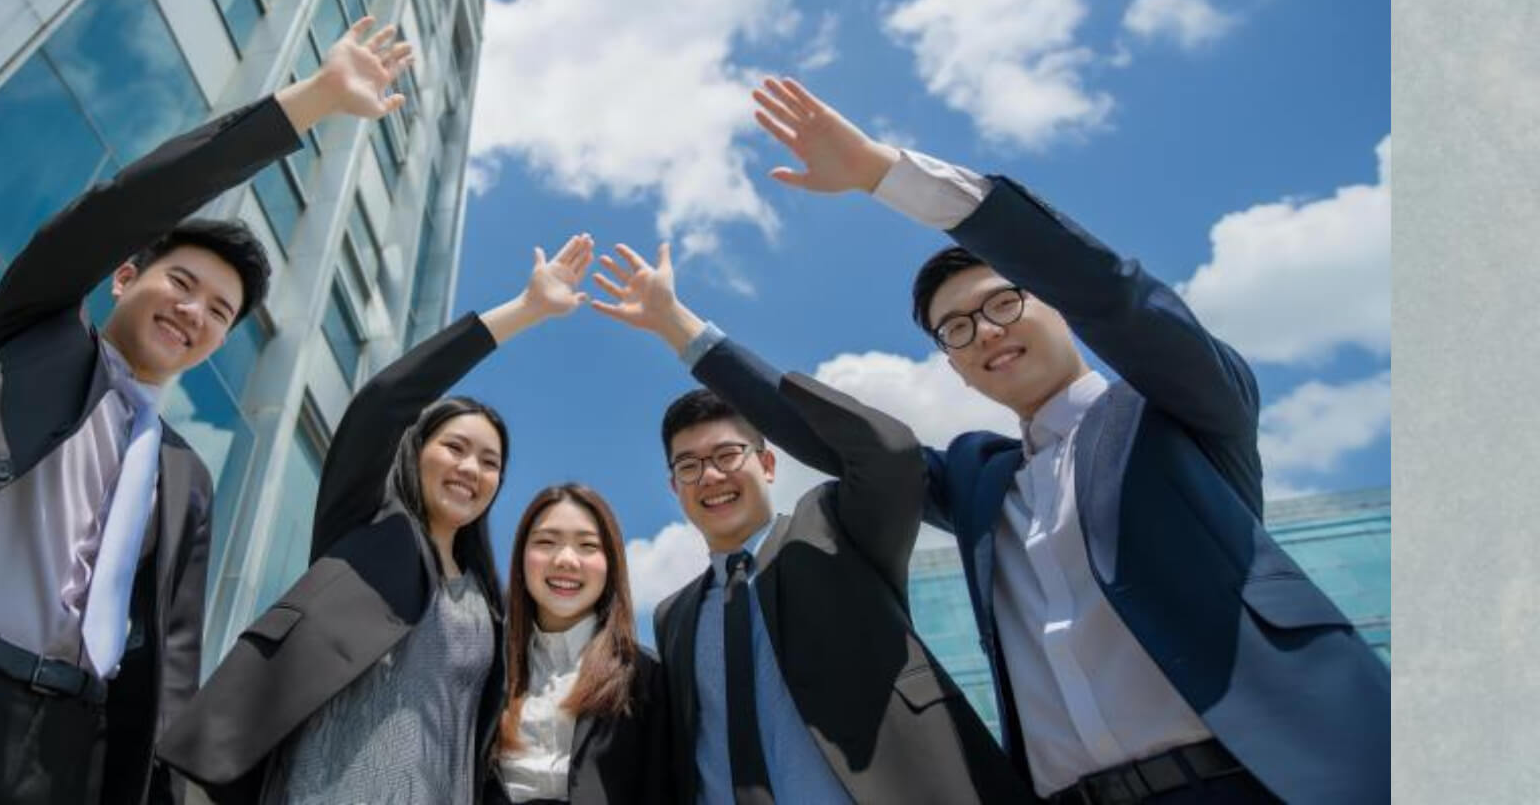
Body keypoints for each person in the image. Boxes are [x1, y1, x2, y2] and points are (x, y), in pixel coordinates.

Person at [0, 19, 415, 805]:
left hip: (58, 748)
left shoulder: (185, 474)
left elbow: (172, 661)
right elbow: (120, 208)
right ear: (123, 277)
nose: (195, 312)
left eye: (219, 311)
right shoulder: (32, 342)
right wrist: (309, 103)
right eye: (182, 284)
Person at [748, 75, 1390, 803]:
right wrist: (682, 332)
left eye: (1003, 302)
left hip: (1257, 779)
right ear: (954, 368)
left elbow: (1114, 295)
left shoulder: (1176, 406)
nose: (984, 330)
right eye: (956, 330)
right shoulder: (977, 482)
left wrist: (883, 176)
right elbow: (846, 447)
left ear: (1053, 304)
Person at [157, 235, 597, 803]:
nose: (471, 468)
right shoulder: (367, 529)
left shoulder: (488, 603)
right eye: (455, 448)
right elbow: (383, 401)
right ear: (414, 453)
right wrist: (525, 311)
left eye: (490, 462)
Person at [591, 245, 1033, 804]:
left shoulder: (833, 525)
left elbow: (888, 454)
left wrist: (682, 331)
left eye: (729, 455)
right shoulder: (675, 615)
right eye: (689, 465)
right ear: (673, 487)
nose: (710, 476)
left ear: (769, 462)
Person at [487, 483, 673, 804]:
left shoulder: (646, 676)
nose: (566, 559)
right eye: (546, 542)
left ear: (611, 563)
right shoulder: (484, 669)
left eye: (587, 545)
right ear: (520, 557)